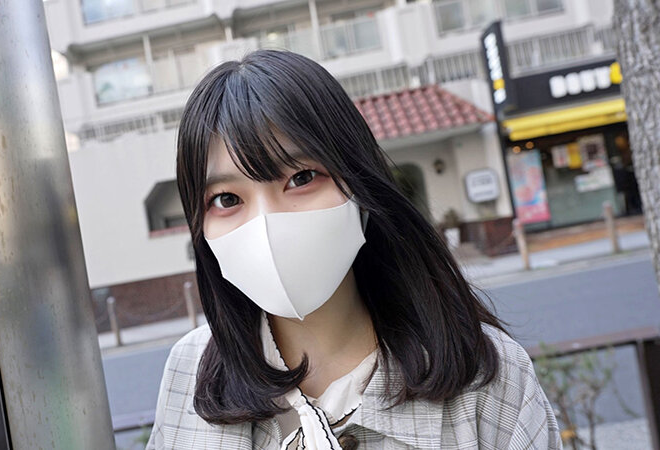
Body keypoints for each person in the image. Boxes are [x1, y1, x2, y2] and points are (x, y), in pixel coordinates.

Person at [146, 49, 561, 450]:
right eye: (226, 199)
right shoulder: (190, 370)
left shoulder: (488, 377)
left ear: (359, 183)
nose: (266, 224)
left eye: (302, 177)